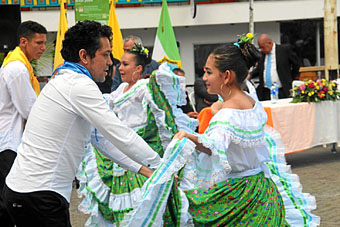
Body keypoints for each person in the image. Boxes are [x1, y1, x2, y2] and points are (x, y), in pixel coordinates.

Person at [124, 36, 319, 226]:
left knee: (186, 208)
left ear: (226, 76)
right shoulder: (252, 101)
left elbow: (212, 146)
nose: (204, 78)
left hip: (240, 195)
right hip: (263, 190)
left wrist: (188, 136)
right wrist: (219, 107)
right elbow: (235, 112)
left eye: (209, 72)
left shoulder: (227, 116)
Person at [3, 20, 161, 226]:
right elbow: (119, 132)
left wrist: (144, 169)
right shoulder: (79, 85)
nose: (110, 62)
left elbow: (100, 138)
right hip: (41, 195)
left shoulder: (63, 78)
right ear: (84, 56)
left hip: (23, 191)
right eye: (105, 55)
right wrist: (161, 164)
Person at [77, 43, 198, 225]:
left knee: (140, 203)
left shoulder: (144, 87)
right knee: (120, 204)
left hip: (139, 152)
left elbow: (162, 115)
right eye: (121, 64)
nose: (120, 68)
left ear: (139, 68)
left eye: (126, 64)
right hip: (122, 155)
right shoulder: (120, 90)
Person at [0, 20, 47, 227]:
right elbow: (30, 109)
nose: (43, 48)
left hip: (10, 137)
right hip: (9, 139)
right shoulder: (18, 68)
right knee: (8, 197)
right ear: (23, 42)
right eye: (38, 42)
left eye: (44, 43)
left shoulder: (18, 63)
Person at [250, 33, 300, 100]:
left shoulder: (284, 50)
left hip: (282, 90)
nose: (261, 50)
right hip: (266, 91)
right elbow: (259, 69)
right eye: (260, 47)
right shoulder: (262, 55)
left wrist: (291, 78)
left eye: (262, 47)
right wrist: (250, 75)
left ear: (270, 43)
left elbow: (296, 64)